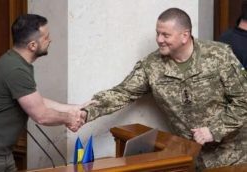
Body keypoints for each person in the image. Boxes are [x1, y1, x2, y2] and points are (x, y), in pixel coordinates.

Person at [83, 8, 247, 170]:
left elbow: (243, 100)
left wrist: (214, 130)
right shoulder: (152, 65)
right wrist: (85, 112)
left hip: (235, 156)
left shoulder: (219, 55)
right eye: (157, 33)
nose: (159, 39)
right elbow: (123, 93)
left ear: (185, 35)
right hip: (193, 157)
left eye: (165, 35)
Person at [0, 14, 87, 172]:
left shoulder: (17, 63)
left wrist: (73, 108)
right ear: (32, 45)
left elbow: (37, 101)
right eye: (46, 37)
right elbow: (41, 114)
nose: (50, 40)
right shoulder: (15, 69)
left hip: (0, 154)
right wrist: (69, 118)